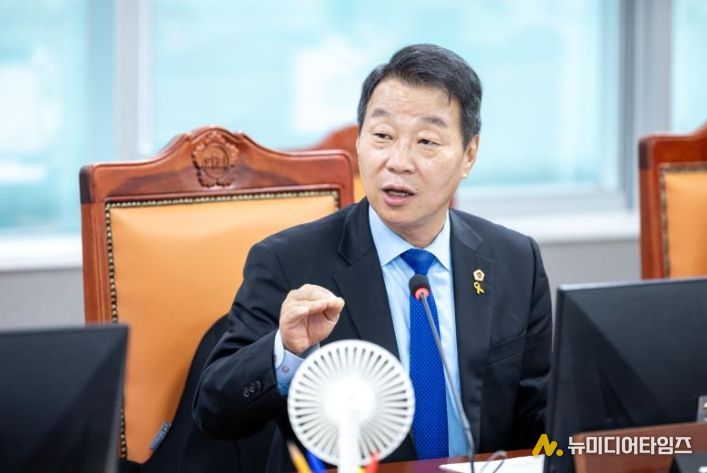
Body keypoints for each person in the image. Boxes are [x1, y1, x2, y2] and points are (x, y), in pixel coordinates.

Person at [193, 43, 551, 471]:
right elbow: (214, 410)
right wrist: (284, 351)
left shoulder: (515, 261)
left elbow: (542, 416)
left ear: (468, 155)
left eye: (426, 141)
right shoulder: (289, 262)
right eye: (382, 136)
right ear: (360, 142)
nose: (398, 162)